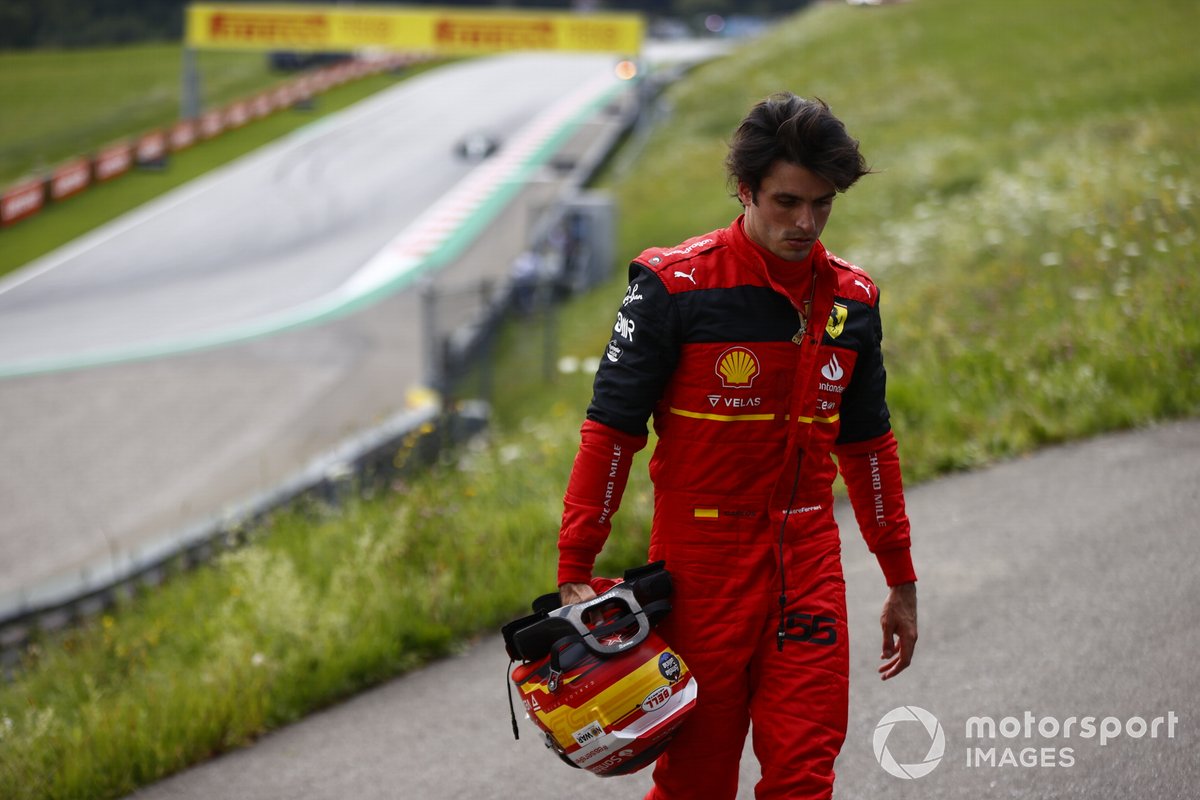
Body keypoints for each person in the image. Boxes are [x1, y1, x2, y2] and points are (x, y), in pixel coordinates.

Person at [555, 93, 918, 799]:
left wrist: (900, 578)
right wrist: (577, 562)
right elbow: (611, 433)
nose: (805, 223)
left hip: (807, 554)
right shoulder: (671, 288)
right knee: (697, 779)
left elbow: (870, 448)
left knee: (804, 775)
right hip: (699, 566)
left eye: (822, 204)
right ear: (746, 190)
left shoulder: (855, 301)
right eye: (786, 202)